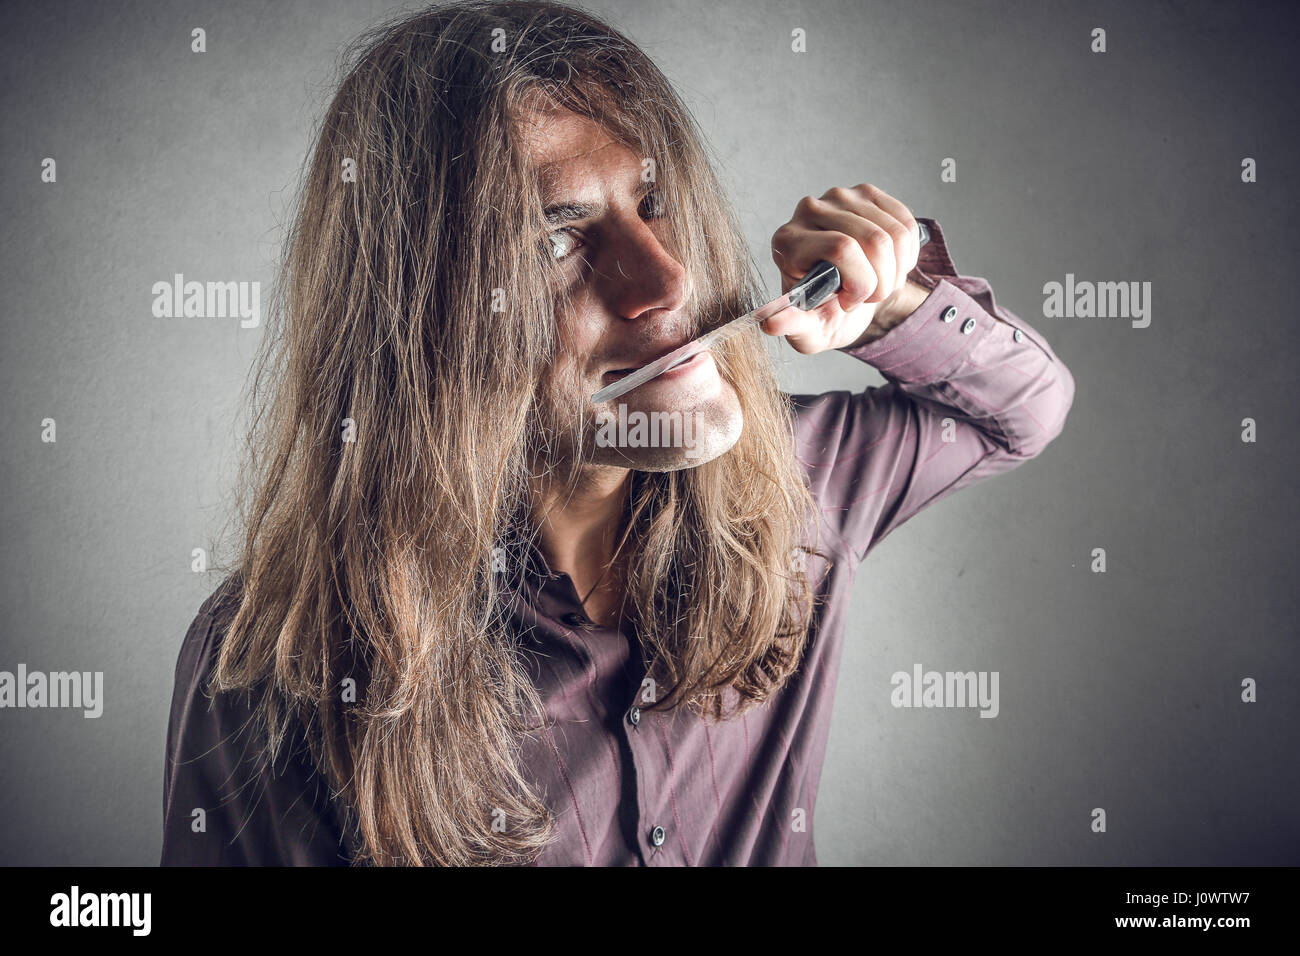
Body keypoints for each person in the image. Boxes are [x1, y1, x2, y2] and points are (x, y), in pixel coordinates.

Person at [161, 0, 1074, 866]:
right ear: (421, 319)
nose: (667, 281)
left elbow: (1019, 411)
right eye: (555, 239)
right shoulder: (282, 665)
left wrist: (890, 307)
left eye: (653, 201)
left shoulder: (801, 480)